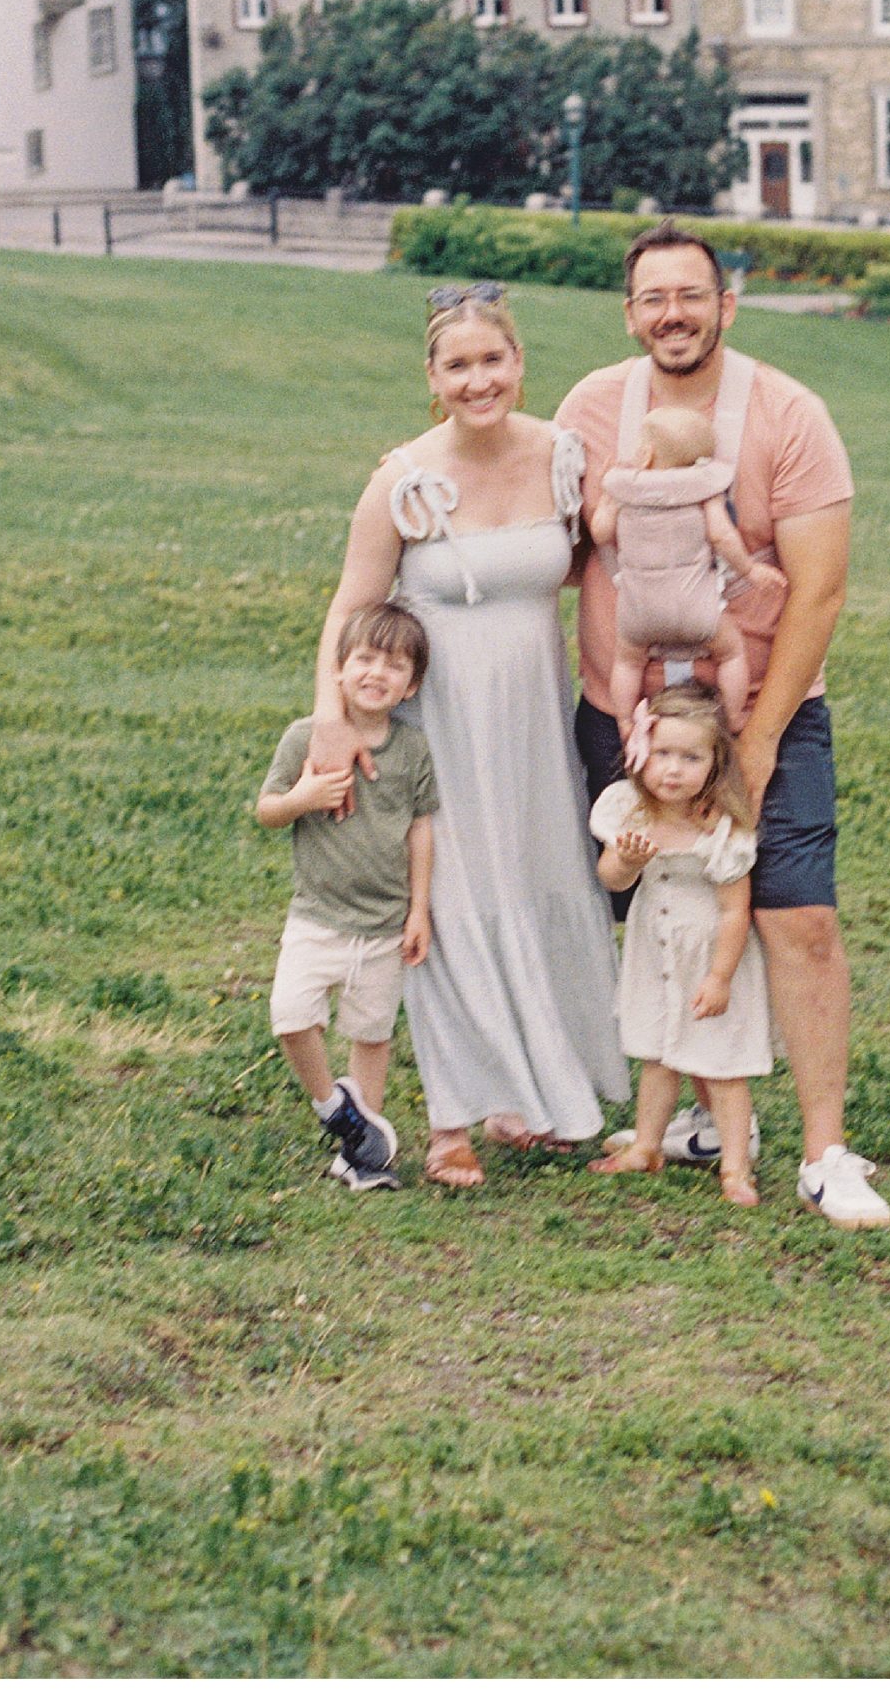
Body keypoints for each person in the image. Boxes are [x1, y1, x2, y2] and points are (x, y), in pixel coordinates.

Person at [557, 219, 889, 1232]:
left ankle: (825, 1151)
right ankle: (700, 1114)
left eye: (689, 296)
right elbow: (559, 550)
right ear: (629, 314)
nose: (672, 314)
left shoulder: (787, 414)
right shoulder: (589, 408)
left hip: (762, 708)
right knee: (652, 908)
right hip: (627, 714)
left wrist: (757, 737)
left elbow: (817, 592)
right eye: (651, 298)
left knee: (795, 914)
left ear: (724, 304)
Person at [302, 282, 629, 1190]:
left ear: (520, 364)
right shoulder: (402, 479)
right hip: (436, 723)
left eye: (494, 360)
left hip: (529, 717)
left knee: (535, 880)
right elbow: (351, 603)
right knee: (446, 903)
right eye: (459, 366)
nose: (478, 380)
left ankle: (531, 1095)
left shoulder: (564, 457)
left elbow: (583, 563)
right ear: (432, 378)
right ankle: (449, 1119)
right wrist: (332, 712)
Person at [257, 600, 437, 1195]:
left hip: (385, 925)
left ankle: (364, 1153)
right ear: (338, 670)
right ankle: (333, 1108)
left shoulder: (412, 750)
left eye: (394, 665)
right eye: (364, 658)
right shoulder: (305, 739)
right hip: (318, 917)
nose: (376, 673)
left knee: (372, 1033)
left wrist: (418, 910)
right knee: (291, 1015)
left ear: (411, 685)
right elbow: (267, 811)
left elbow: (420, 829)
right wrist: (304, 796)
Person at [586, 683, 770, 1208]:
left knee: (723, 1063)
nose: (673, 770)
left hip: (708, 954)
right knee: (658, 1054)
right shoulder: (631, 812)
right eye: (663, 754)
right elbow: (611, 881)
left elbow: (736, 910)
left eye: (690, 758)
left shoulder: (722, 828)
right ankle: (646, 1145)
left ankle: (735, 1166)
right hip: (656, 949)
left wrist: (720, 977)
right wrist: (626, 860)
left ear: (714, 764)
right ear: (641, 753)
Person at [589, 406, 785, 737]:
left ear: (646, 453)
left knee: (627, 662)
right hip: (697, 609)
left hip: (639, 611)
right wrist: (750, 571)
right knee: (731, 653)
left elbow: (602, 534)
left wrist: (608, 501)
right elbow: (722, 536)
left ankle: (624, 720)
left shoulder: (623, 490)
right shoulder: (703, 490)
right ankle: (733, 715)